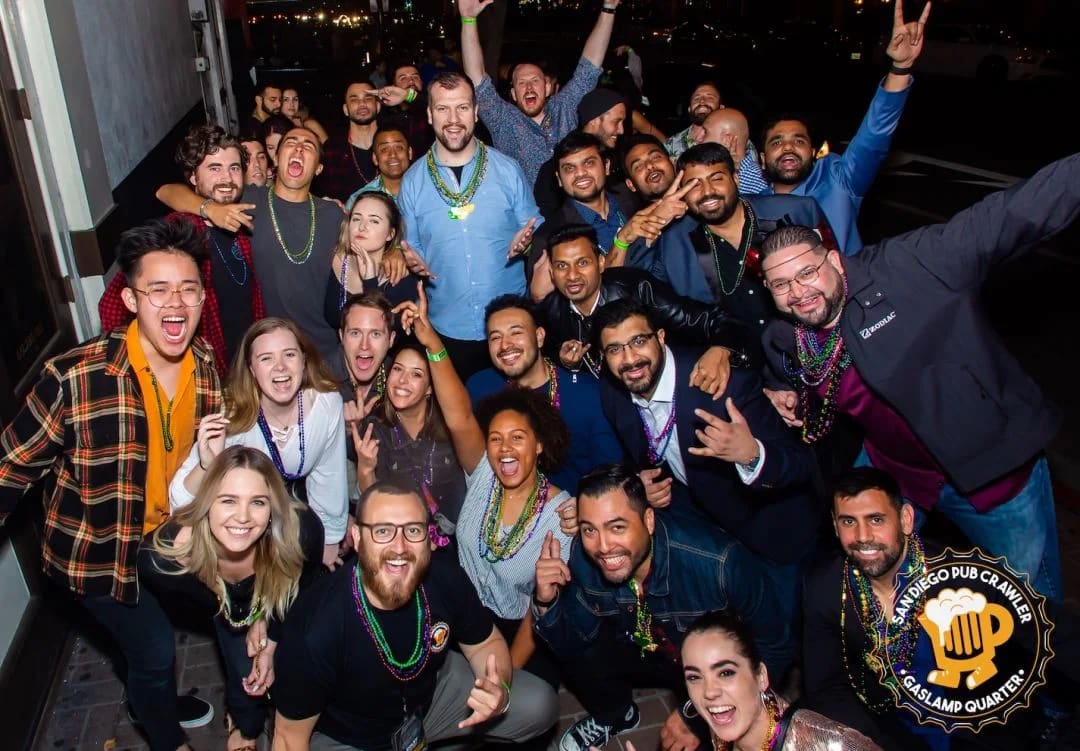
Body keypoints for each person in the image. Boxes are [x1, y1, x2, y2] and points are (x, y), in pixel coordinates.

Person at [758, 151, 1080, 603]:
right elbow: (782, 369)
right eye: (781, 284)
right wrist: (781, 391)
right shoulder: (786, 336)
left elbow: (1010, 215)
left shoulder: (912, 266)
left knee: (1029, 603)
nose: (799, 292)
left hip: (992, 477)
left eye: (807, 272)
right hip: (897, 476)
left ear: (834, 259)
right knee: (874, 594)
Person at [1, 220, 221, 749]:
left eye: (188, 289)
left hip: (167, 535)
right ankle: (165, 735)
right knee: (154, 649)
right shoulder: (75, 377)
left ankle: (151, 696)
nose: (176, 303)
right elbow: (9, 469)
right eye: (158, 289)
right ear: (130, 299)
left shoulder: (205, 364)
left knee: (207, 611)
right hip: (96, 553)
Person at [271, 481, 559, 749]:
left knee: (538, 704)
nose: (399, 548)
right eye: (382, 531)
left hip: (429, 701)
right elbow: (288, 737)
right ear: (357, 538)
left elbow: (486, 643)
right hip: (350, 736)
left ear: (428, 537)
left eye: (412, 531)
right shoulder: (316, 626)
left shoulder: (445, 577)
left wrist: (498, 689)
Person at [533, 463, 794, 751]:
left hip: (706, 668)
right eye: (589, 530)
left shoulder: (719, 564)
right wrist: (547, 603)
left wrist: (695, 716)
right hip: (645, 648)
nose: (603, 546)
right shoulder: (585, 559)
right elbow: (573, 645)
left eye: (617, 527)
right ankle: (617, 714)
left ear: (648, 520)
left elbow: (776, 646)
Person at [395, 286, 573, 686]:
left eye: (517, 438)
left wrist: (505, 677)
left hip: (520, 634)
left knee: (532, 703)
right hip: (461, 615)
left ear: (539, 445)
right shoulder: (483, 475)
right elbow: (459, 416)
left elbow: (537, 612)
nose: (505, 449)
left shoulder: (561, 517)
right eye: (495, 438)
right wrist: (432, 344)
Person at [593, 298, 820, 611]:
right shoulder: (614, 393)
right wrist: (640, 487)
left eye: (639, 341)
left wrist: (752, 455)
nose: (630, 359)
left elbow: (803, 463)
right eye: (615, 349)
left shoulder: (722, 386)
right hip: (708, 542)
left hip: (773, 536)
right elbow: (642, 457)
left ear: (661, 337)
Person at [140, 445, 325, 751]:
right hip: (224, 602)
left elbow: (303, 594)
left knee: (296, 663)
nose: (243, 517)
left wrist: (269, 630)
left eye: (258, 502)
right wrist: (234, 608)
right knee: (245, 672)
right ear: (207, 503)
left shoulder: (301, 532)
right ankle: (245, 727)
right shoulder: (164, 558)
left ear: (272, 509)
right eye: (228, 500)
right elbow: (204, 603)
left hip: (280, 596)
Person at [157, 126, 356, 364]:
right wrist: (210, 208)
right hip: (266, 355)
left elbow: (364, 260)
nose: (298, 149)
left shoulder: (333, 214)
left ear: (319, 168)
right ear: (276, 159)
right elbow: (165, 191)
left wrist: (392, 252)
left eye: (308, 146)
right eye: (291, 142)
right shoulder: (247, 199)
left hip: (323, 352)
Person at [169, 317, 348, 571]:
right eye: (266, 358)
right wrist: (207, 464)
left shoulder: (327, 404)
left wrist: (328, 539)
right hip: (240, 526)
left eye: (289, 354)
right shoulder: (232, 415)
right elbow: (179, 502)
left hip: (290, 515)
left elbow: (329, 476)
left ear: (304, 360)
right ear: (252, 369)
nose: (280, 367)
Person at [397, 72, 541, 378]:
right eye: (443, 109)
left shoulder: (508, 169)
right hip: (447, 328)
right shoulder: (412, 181)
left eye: (462, 107)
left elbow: (535, 230)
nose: (453, 119)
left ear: (475, 112)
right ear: (429, 114)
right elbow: (411, 246)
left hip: (510, 330)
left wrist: (528, 243)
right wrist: (410, 259)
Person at [759, 0, 930, 254]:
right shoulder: (752, 207)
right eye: (777, 141)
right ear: (763, 159)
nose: (788, 146)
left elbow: (874, 137)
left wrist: (900, 69)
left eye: (799, 140)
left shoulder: (838, 180)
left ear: (813, 153)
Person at [99, 124, 264, 373]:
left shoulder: (242, 227)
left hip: (245, 368)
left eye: (234, 168)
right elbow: (112, 304)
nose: (227, 178)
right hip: (204, 373)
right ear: (194, 178)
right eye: (214, 168)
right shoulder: (181, 231)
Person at [647, 143, 836, 334]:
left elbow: (837, 272)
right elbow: (642, 286)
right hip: (729, 349)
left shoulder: (796, 211)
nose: (707, 191)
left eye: (717, 179)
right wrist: (654, 221)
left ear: (735, 179)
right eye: (694, 185)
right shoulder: (674, 241)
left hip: (808, 339)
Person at [536, 224, 759, 378]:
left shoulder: (638, 288)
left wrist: (721, 348)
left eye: (582, 263)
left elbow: (713, 320)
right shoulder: (552, 313)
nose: (572, 275)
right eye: (562, 266)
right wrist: (567, 364)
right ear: (552, 273)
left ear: (601, 263)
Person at [466, 294, 623, 494]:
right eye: (495, 337)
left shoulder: (587, 393)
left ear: (539, 337)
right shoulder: (480, 387)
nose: (505, 345)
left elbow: (609, 473)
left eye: (516, 333)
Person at [458, 0, 622, 186]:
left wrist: (608, 8)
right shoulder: (504, 121)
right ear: (513, 94)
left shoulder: (564, 107)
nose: (529, 87)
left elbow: (589, 68)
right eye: (521, 83)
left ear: (548, 88)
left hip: (573, 201)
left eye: (535, 81)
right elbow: (477, 82)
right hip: (528, 205)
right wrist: (468, 20)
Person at [682, 610, 881, 751]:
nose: (709, 692)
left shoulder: (831, 744)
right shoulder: (723, 723)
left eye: (726, 673)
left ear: (761, 676)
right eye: (694, 677)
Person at [354, 342, 466, 535]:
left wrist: (442, 535)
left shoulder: (450, 426)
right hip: (398, 532)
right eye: (398, 369)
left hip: (453, 534)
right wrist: (365, 468)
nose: (402, 380)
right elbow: (374, 504)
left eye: (416, 374)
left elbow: (464, 488)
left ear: (430, 388)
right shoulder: (375, 427)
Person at [533, 88, 630, 218]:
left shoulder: (619, 156)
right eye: (616, 121)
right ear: (594, 120)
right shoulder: (553, 168)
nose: (621, 130)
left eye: (590, 163)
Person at [324, 192, 420, 326]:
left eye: (374, 221)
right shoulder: (330, 260)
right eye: (356, 219)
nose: (362, 227)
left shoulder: (400, 279)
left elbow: (382, 332)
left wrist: (370, 281)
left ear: (390, 234)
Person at [315, 82, 383, 203]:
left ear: (378, 106)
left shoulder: (393, 146)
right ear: (346, 109)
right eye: (354, 100)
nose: (362, 104)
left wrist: (408, 96)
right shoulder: (332, 149)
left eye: (368, 98)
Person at [700, 107, 768, 195]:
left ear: (727, 140)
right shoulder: (734, 172)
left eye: (705, 132)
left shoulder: (755, 182)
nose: (699, 138)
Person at [345, 126, 413, 206]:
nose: (393, 154)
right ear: (375, 158)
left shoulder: (424, 188)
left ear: (409, 153)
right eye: (384, 150)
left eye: (399, 148)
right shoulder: (360, 201)